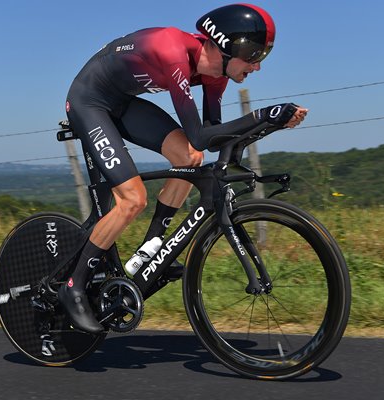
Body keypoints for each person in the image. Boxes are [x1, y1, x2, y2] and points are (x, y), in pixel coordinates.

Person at [60, 3, 309, 333]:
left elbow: (215, 141)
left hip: (122, 102)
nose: (256, 66)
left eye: (261, 57)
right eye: (253, 55)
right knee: (132, 200)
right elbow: (200, 134)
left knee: (189, 158)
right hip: (89, 101)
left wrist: (271, 124)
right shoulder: (172, 50)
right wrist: (262, 115)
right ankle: (73, 286)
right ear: (225, 44)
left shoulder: (215, 76)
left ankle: (151, 248)